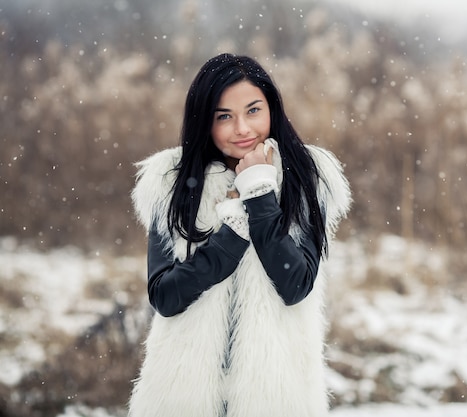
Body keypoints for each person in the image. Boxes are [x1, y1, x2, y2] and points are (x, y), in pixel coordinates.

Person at [128, 53, 351, 417]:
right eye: (224, 117)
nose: (242, 129)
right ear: (204, 121)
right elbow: (166, 296)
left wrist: (260, 193)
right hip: (182, 396)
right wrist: (233, 229)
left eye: (253, 110)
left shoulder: (306, 178)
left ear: (272, 110)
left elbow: (295, 284)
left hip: (276, 394)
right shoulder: (169, 182)